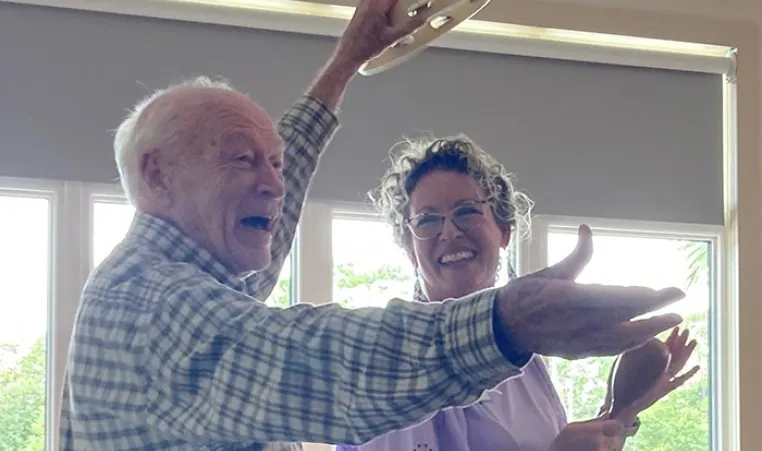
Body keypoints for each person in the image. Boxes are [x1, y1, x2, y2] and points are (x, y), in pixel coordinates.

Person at [59, 0, 686, 448]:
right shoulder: (155, 307)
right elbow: (319, 365)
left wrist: (345, 63)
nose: (274, 183)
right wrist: (507, 322)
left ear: (504, 226)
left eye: (275, 163)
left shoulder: (200, 273)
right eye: (243, 160)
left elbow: (277, 203)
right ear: (158, 175)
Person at [337, 136, 700, 451]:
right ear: (409, 248)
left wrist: (621, 411)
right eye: (428, 219)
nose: (448, 232)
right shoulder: (397, 362)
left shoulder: (523, 358)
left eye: (467, 212)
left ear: (505, 231)